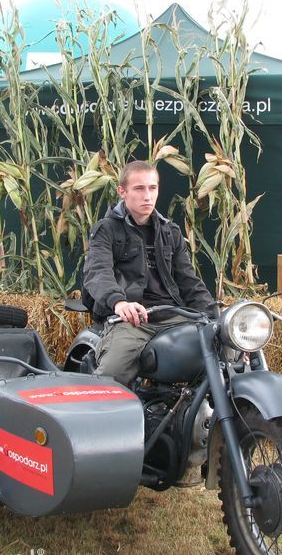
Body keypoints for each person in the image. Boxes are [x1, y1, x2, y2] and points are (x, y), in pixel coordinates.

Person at [82, 161, 215, 387]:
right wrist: (119, 303)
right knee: (110, 378)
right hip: (132, 320)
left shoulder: (170, 231)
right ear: (122, 191)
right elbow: (98, 272)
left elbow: (189, 281)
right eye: (139, 188)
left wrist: (217, 316)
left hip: (174, 316)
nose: (147, 196)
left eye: (152, 188)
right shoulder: (106, 229)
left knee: (227, 354)